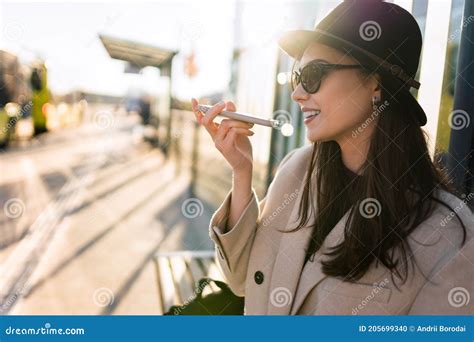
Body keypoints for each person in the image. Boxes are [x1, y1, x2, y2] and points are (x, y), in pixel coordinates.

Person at [191, 0, 473, 315]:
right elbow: (241, 281)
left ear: (375, 84)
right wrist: (241, 173)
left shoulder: (449, 236)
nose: (297, 93)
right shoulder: (296, 169)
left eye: (312, 74)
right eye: (297, 75)